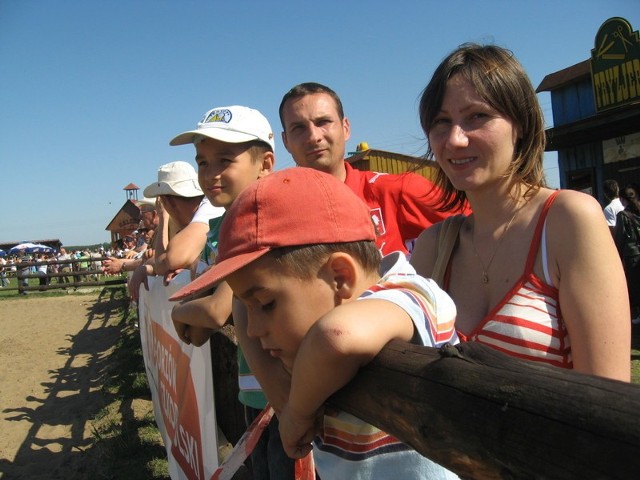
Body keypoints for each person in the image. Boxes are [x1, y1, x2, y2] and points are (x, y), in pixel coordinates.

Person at [171, 168, 460, 480]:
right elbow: (240, 305)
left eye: (267, 304)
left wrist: (295, 413)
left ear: (340, 277)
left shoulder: (413, 295)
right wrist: (279, 393)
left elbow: (335, 337)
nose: (253, 330)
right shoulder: (314, 332)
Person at [410, 43, 629, 382]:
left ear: (521, 123)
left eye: (476, 117)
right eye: (441, 121)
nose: (454, 139)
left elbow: (607, 398)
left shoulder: (567, 220)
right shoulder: (433, 246)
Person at [169, 105, 288, 479]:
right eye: (202, 162)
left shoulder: (259, 224)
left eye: (224, 160)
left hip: (284, 397)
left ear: (265, 164)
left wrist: (177, 312)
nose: (210, 174)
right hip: (264, 391)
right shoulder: (233, 222)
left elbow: (215, 312)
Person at [278, 82, 470, 256]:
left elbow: (482, 225)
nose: (313, 136)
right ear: (286, 141)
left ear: (345, 128)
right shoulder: (278, 217)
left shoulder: (396, 191)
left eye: (323, 122)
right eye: (299, 128)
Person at [127, 161, 224, 301]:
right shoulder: (200, 216)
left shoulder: (209, 208)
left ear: (166, 202)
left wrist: (164, 218)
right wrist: (147, 268)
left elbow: (170, 260)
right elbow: (163, 263)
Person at [614, 183, 640, 324]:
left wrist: (617, 257)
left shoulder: (623, 215)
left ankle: (636, 314)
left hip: (631, 255)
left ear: (623, 199)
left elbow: (620, 237)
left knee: (634, 284)